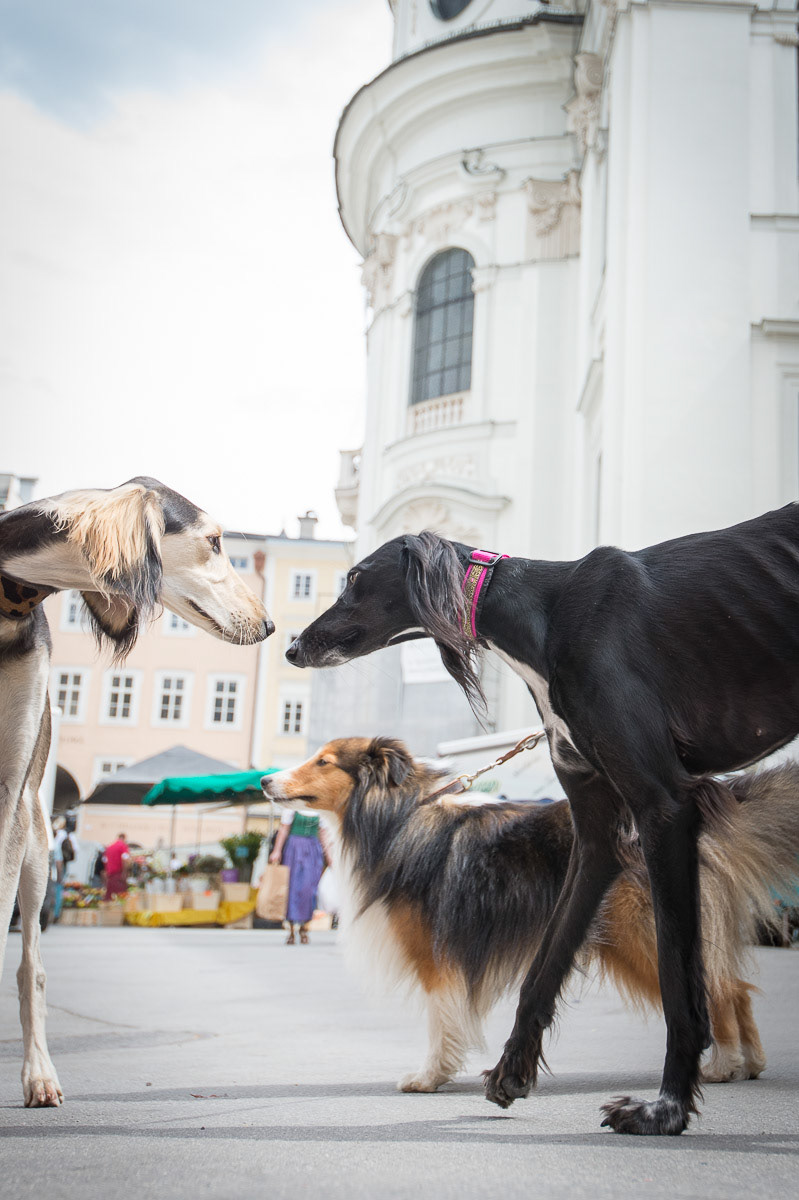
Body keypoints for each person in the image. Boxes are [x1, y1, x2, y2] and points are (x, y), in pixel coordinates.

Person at [269, 809, 331, 944]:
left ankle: (304, 927)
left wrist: (330, 857)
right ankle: (291, 929)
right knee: (291, 888)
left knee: (309, 889)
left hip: (313, 850)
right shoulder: (292, 807)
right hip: (294, 848)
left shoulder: (319, 809)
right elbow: (284, 829)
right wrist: (277, 851)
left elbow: (323, 833)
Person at [103, 833, 130, 900]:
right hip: (118, 874)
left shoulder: (110, 846)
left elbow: (105, 861)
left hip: (110, 875)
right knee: (120, 897)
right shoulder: (122, 846)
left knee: (109, 897)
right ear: (124, 838)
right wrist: (125, 873)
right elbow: (125, 859)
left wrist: (106, 872)